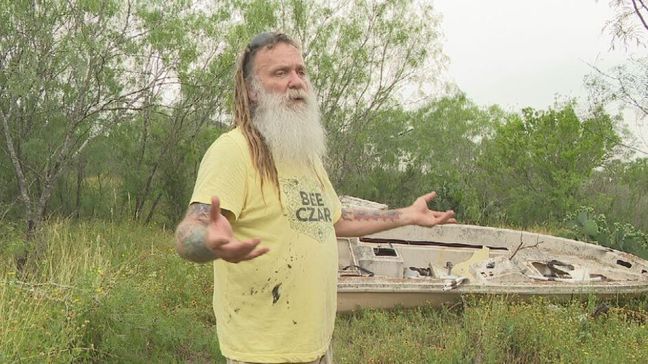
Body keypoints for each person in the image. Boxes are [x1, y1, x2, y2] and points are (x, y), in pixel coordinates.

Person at [174, 31, 456, 364]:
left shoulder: (304, 154)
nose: (296, 81)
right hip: (263, 353)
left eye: (300, 71)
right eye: (280, 73)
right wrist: (207, 240)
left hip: (316, 347)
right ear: (252, 89)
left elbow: (334, 219)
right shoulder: (234, 151)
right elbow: (189, 231)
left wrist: (406, 215)